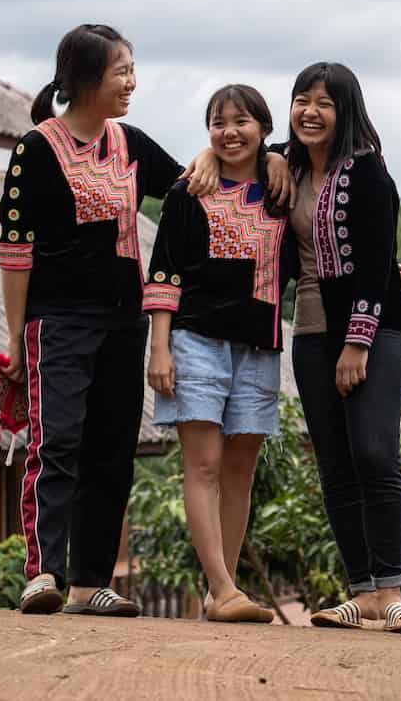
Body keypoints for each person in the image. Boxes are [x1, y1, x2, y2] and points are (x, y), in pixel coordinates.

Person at [192, 63, 401, 634]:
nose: (311, 112)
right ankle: (361, 592)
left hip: (374, 330)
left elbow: (376, 265)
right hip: (309, 332)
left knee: (375, 453)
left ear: (346, 110)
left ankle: (391, 592)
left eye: (324, 102)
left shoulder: (369, 173)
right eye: (302, 100)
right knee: (334, 464)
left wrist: (358, 343)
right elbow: (236, 150)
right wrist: (205, 157)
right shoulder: (287, 165)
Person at [0, 24, 182, 617]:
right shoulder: (37, 148)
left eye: (131, 68)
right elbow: (16, 251)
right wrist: (16, 339)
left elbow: (191, 192)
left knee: (111, 449)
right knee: (58, 444)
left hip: (125, 323)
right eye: (120, 71)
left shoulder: (132, 144)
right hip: (59, 323)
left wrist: (257, 164)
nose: (131, 81)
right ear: (83, 80)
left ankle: (89, 581)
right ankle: (42, 574)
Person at [143, 85, 291, 624]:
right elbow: (164, 270)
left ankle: (221, 593)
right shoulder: (189, 190)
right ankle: (224, 586)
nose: (229, 132)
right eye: (218, 123)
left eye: (241, 121)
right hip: (195, 340)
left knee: (240, 470)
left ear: (264, 128)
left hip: (259, 345)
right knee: (202, 465)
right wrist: (159, 346)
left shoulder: (282, 188)